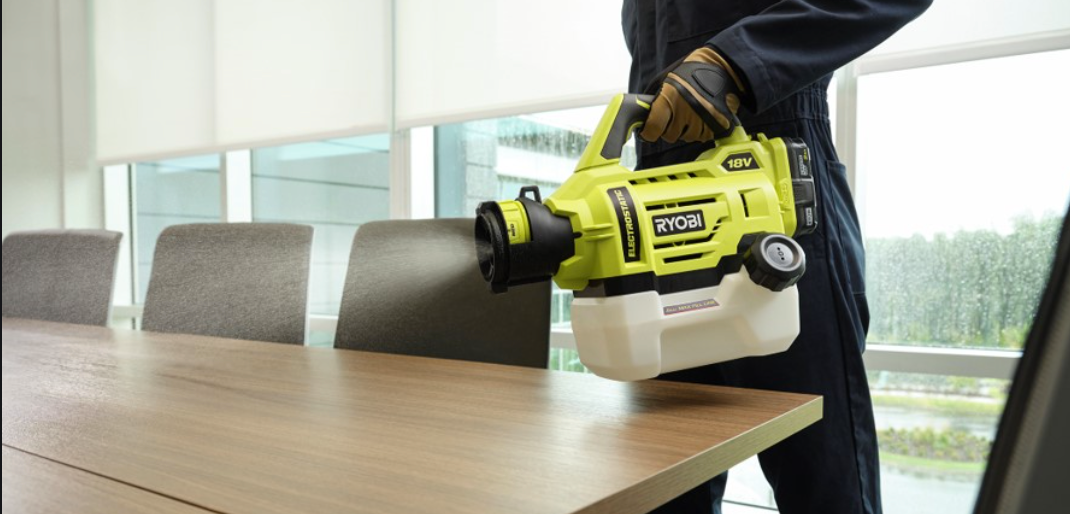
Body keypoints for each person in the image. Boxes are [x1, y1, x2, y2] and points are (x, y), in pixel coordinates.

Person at [621, 1, 932, 513]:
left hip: (778, 181)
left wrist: (736, 61)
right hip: (662, 201)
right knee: (664, 488)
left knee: (825, 491)